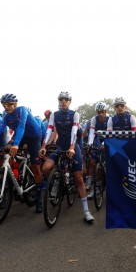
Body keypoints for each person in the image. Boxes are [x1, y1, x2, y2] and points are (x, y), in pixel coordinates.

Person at [0, 93, 44, 212]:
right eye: (4, 105)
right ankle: (7, 190)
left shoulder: (22, 110)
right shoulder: (6, 116)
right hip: (20, 136)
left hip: (34, 137)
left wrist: (16, 144)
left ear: (15, 104)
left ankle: (38, 198)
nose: (6, 107)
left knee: (36, 167)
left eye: (9, 104)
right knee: (6, 156)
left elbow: (21, 126)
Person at [40, 91, 94, 223]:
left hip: (73, 146)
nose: (63, 101)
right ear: (58, 101)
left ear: (70, 102)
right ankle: (56, 181)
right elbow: (49, 130)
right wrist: (43, 146)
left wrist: (71, 147)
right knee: (46, 168)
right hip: (60, 146)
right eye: (61, 99)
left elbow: (74, 131)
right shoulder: (54, 114)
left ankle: (86, 211)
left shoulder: (75, 114)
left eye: (66, 99)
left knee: (78, 178)